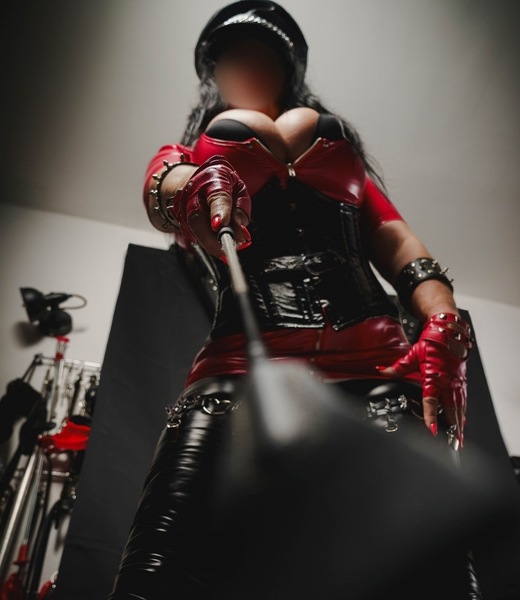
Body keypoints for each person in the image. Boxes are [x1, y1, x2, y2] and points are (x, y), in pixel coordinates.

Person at [108, 1, 474, 598]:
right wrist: (194, 184)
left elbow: (397, 238)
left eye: (264, 56)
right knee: (160, 568)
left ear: (287, 70)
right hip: (240, 368)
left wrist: (445, 322)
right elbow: (161, 190)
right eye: (235, 57)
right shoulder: (192, 153)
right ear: (214, 74)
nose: (249, 66)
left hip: (379, 364)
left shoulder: (348, 165)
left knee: (433, 571)